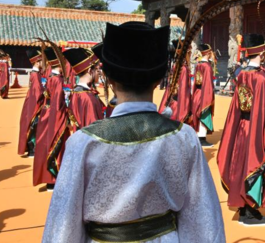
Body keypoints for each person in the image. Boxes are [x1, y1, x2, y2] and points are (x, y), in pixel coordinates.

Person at [42, 21, 225, 242]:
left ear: (109, 78)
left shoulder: (83, 143)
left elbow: (63, 225)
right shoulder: (184, 137)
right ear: (159, 80)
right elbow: (202, 219)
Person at [217, 33, 265, 226]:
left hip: (242, 128)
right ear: (262, 53)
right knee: (254, 165)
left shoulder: (242, 75)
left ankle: (243, 208)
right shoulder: (260, 79)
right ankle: (251, 211)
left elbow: (237, 106)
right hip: (255, 130)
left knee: (241, 166)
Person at [33, 47, 69, 190]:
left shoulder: (50, 78)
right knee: (56, 145)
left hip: (46, 113)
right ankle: (54, 179)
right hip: (55, 115)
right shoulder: (58, 80)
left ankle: (48, 179)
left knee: (45, 144)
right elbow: (59, 105)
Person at [62, 48, 104, 132]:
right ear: (89, 70)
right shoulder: (87, 97)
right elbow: (94, 130)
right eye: (97, 69)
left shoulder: (75, 92)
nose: (99, 72)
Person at [18, 49, 45, 157]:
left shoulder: (35, 74)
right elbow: (38, 92)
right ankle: (32, 150)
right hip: (34, 104)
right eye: (42, 61)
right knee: (33, 125)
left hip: (31, 102)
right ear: (37, 62)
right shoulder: (35, 75)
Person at [192, 43, 216, 147]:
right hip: (204, 93)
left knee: (198, 113)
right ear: (208, 53)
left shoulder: (198, 64)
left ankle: (199, 136)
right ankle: (201, 138)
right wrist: (209, 97)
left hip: (198, 92)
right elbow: (208, 84)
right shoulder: (207, 67)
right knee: (204, 113)